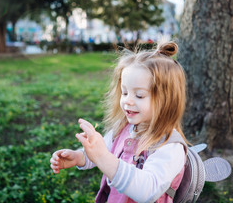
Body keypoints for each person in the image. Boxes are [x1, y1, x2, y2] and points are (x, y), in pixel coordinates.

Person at [50, 41, 189, 203]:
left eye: (139, 95)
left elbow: (147, 191)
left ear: (167, 100)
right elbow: (103, 152)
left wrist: (102, 157)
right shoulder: (123, 129)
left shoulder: (169, 146)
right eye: (124, 92)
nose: (128, 101)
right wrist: (80, 156)